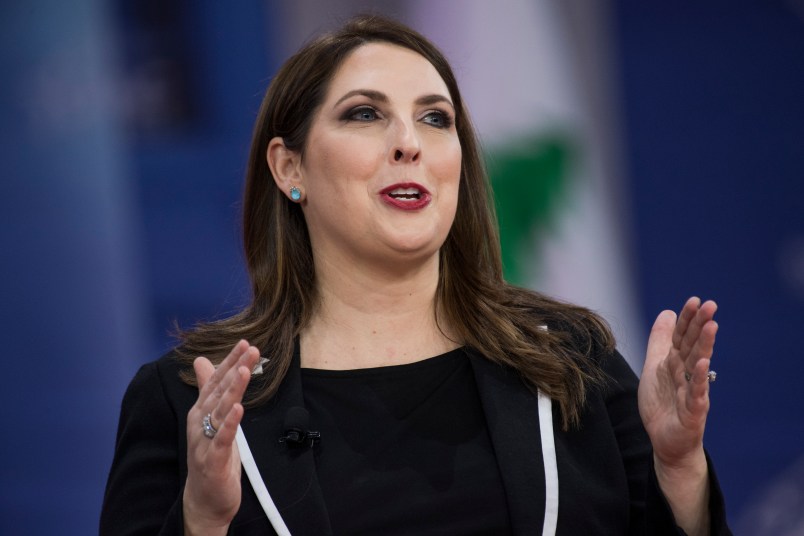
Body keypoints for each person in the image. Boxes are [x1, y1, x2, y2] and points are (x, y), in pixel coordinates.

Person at [100, 14, 730, 536]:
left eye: (436, 118)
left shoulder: (568, 364)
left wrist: (680, 472)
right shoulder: (187, 401)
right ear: (289, 168)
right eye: (364, 115)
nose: (410, 143)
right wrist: (200, 520)